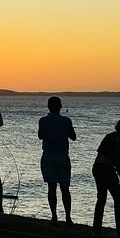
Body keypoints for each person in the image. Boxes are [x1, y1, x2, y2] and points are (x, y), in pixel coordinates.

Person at [38, 96, 77, 224]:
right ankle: (68, 218)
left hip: (48, 156)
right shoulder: (66, 121)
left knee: (51, 187)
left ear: (48, 107)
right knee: (65, 188)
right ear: (60, 107)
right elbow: (73, 137)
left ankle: (54, 216)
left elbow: (40, 136)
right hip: (62, 156)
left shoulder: (43, 121)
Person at [92, 119, 120, 238]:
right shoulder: (117, 139)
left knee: (102, 198)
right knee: (118, 199)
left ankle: (97, 229)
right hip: (105, 168)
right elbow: (116, 159)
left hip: (99, 167)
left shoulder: (111, 136)